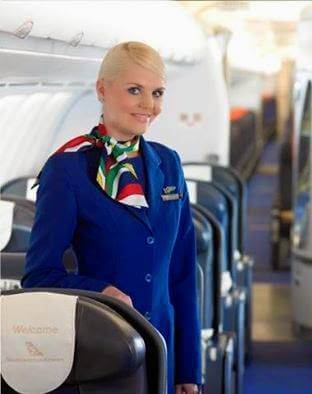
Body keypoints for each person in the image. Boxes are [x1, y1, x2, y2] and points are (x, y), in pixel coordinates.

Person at [22, 41, 201, 394]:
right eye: (135, 90)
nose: (149, 105)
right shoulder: (68, 169)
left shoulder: (169, 164)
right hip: (102, 354)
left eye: (157, 92)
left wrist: (188, 370)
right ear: (102, 89)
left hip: (162, 351)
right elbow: (39, 276)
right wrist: (101, 293)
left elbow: (182, 271)